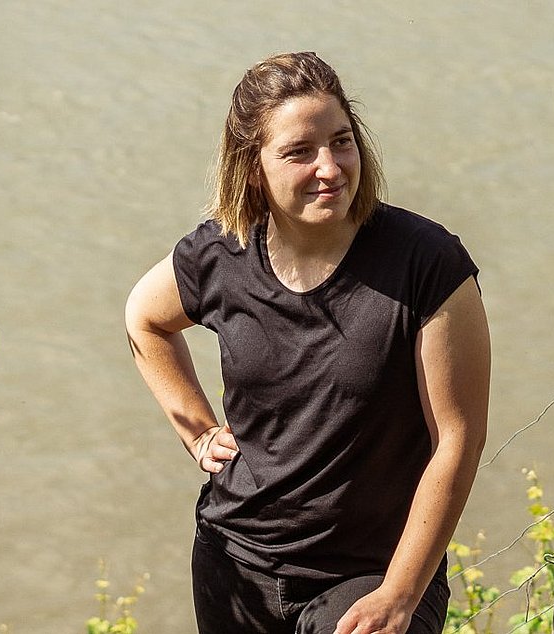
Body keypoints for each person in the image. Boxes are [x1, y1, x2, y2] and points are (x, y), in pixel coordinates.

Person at [124, 52, 491, 634]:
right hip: (235, 562)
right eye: (300, 152)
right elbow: (144, 318)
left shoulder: (427, 263)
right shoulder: (222, 253)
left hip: (367, 575)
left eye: (341, 142)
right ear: (252, 167)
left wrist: (400, 593)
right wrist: (196, 430)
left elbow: (458, 437)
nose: (331, 168)